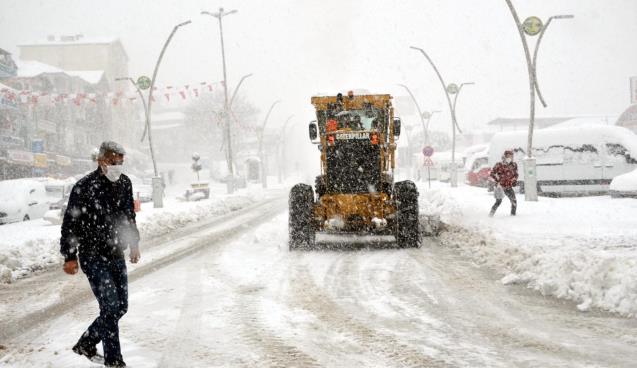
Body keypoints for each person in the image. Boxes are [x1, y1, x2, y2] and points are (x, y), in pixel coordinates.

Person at [60, 141, 140, 368]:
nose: (117, 166)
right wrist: (69, 255)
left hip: (116, 253)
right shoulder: (84, 187)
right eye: (113, 161)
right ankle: (114, 361)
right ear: (101, 161)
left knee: (121, 306)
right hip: (92, 255)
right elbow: (70, 223)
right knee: (111, 307)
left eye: (121, 162)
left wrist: (134, 243)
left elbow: (128, 216)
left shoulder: (124, 183)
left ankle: (87, 342)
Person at [489, 150, 518, 217]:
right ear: (504, 157)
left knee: (514, 201)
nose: (509, 158)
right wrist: (498, 180)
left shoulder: (514, 165)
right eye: (508, 156)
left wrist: (514, 180)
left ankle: (513, 216)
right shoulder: (499, 165)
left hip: (508, 186)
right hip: (500, 187)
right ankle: (491, 214)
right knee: (498, 202)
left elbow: (516, 174)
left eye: (511, 156)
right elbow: (492, 173)